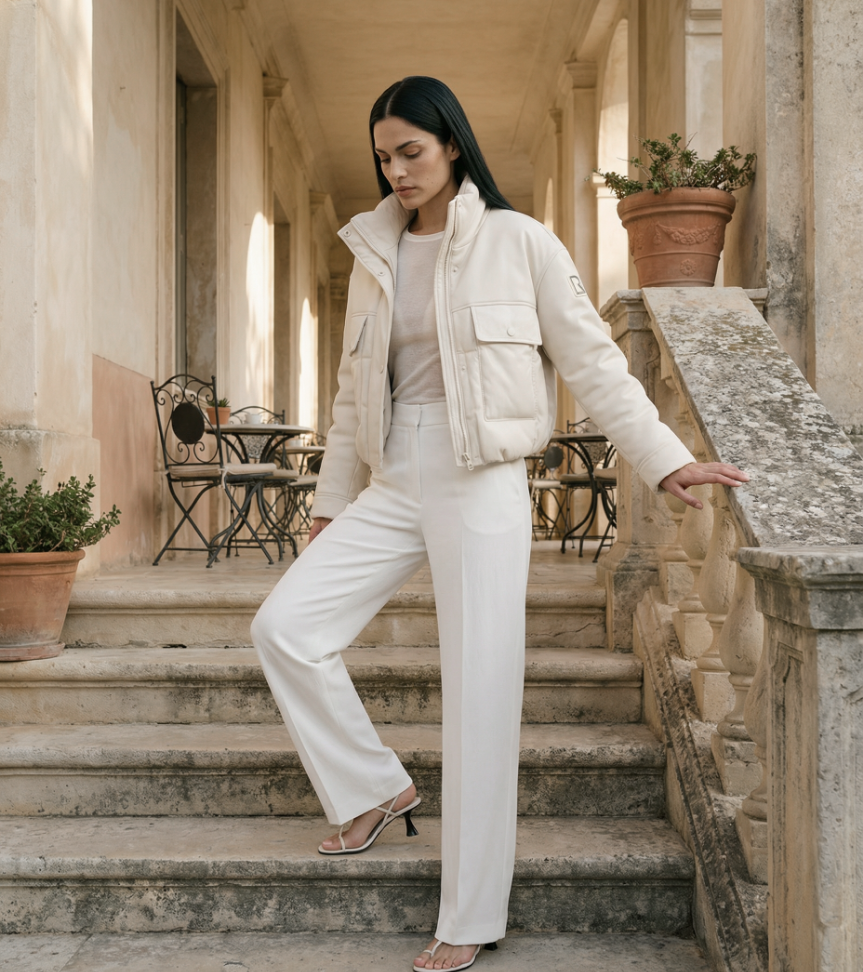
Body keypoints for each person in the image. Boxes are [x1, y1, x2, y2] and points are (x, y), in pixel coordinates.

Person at [251, 76, 747, 972]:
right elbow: (350, 396)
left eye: (410, 151)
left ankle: (470, 912)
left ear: (450, 144)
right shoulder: (374, 251)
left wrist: (665, 455)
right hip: (392, 476)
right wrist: (329, 503)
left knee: (480, 696)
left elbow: (593, 365)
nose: (396, 171)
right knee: (284, 627)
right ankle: (374, 789)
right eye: (382, 157)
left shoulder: (518, 242)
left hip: (480, 480)